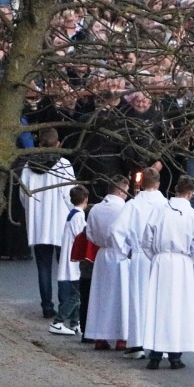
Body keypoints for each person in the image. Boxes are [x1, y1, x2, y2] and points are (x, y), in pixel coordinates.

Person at [140, 176, 194, 371]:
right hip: (181, 262)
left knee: (158, 306)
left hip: (161, 261)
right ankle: (175, 355)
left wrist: (156, 256)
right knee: (179, 308)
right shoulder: (193, 215)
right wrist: (188, 260)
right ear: (191, 193)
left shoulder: (159, 210)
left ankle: (155, 353)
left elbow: (146, 240)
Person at [20, 127, 76, 320]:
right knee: (64, 266)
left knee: (43, 267)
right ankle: (64, 304)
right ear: (58, 144)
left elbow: (23, 195)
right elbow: (70, 195)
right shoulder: (64, 165)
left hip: (39, 223)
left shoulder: (28, 165)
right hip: (60, 223)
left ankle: (46, 305)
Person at [118, 167, 168, 359]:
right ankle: (160, 345)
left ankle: (137, 343)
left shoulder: (133, 204)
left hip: (139, 256)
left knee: (138, 299)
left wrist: (123, 252)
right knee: (158, 299)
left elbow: (118, 231)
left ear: (142, 183)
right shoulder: (166, 205)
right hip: (158, 257)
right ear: (159, 183)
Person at [86, 176, 131, 352]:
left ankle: (100, 335)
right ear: (120, 190)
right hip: (119, 254)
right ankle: (122, 337)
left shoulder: (96, 209)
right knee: (120, 296)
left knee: (102, 296)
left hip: (102, 254)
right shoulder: (124, 209)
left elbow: (89, 233)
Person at [52, 185, 89, 338]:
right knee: (77, 294)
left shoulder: (72, 214)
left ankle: (75, 323)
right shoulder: (79, 216)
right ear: (86, 200)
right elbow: (82, 236)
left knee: (76, 292)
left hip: (69, 257)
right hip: (74, 260)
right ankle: (58, 321)